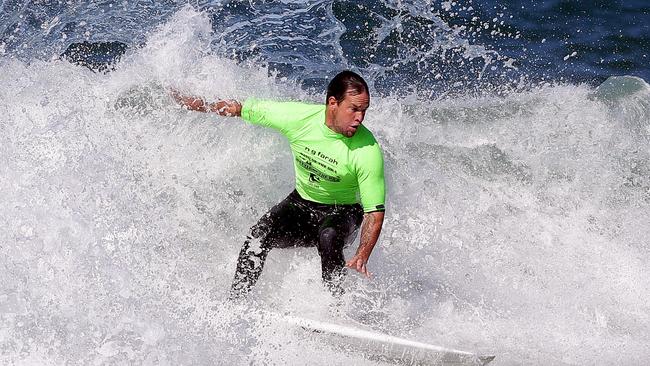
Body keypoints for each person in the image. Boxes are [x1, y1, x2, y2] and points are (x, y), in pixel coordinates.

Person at [172, 71, 385, 298]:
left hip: (343, 212)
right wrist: (195, 104)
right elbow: (239, 109)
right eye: (354, 109)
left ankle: (336, 307)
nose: (360, 118)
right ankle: (235, 300)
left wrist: (363, 253)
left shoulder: (367, 150)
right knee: (257, 236)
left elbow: (374, 213)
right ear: (333, 103)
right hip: (302, 204)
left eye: (364, 111)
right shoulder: (299, 118)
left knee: (329, 236)